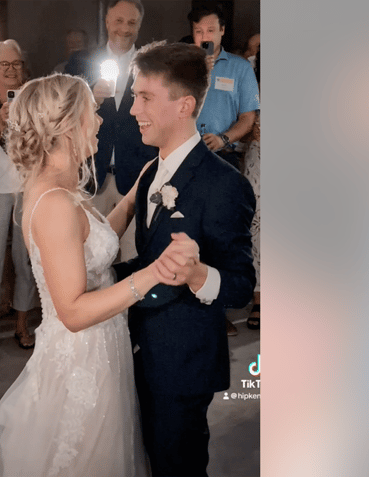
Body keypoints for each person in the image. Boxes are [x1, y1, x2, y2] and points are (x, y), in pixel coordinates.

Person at [0, 73, 197, 476]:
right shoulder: (53, 204)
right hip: (81, 360)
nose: (100, 121)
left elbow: (96, 243)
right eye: (93, 112)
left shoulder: (62, 188)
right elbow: (72, 312)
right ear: (66, 125)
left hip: (103, 345)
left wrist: (138, 190)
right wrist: (154, 273)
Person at [116, 41, 257, 476]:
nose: (133, 108)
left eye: (145, 98)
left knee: (178, 465)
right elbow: (149, 259)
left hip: (184, 362)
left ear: (185, 105)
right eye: (135, 95)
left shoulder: (224, 185)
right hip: (140, 347)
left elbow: (237, 283)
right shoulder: (152, 169)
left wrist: (198, 273)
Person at [64, 0, 158, 261]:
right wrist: (91, 97)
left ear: (139, 25)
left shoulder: (152, 65)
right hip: (93, 170)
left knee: (133, 254)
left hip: (138, 170)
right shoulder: (80, 62)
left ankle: (127, 303)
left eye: (131, 22)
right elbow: (63, 112)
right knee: (90, 254)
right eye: (119, 21)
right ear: (107, 21)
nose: (124, 28)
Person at [0, 39, 38, 350]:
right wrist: (1, 122)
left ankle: (22, 324)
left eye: (16, 63)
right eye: (3, 64)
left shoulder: (34, 101)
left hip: (27, 189)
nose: (10, 69)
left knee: (25, 262)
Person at [189, 5, 260, 171]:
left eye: (210, 30)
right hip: (187, 152)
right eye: (198, 31)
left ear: (222, 30)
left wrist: (223, 139)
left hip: (225, 155)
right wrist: (196, 71)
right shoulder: (181, 67)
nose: (204, 37)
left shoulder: (241, 68)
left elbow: (248, 117)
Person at [243, 48, 261, 330]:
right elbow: (241, 116)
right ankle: (259, 300)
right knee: (257, 230)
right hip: (259, 158)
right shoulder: (251, 73)